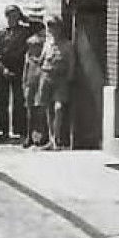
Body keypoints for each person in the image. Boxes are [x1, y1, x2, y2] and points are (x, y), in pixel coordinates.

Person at [0, 5, 32, 142]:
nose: (12, 19)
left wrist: (26, 18)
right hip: (3, 69)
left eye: (15, 16)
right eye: (9, 16)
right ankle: (3, 131)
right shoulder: (1, 33)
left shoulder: (25, 32)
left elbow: (40, 26)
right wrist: (2, 69)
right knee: (2, 101)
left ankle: (20, 130)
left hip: (19, 68)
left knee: (19, 100)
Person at [38, 16, 74, 150]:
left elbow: (72, 62)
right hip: (47, 76)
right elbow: (41, 59)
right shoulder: (47, 43)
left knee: (58, 108)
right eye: (50, 27)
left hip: (61, 78)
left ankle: (57, 138)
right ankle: (51, 138)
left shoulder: (67, 44)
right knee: (48, 108)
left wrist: (70, 76)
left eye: (54, 26)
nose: (52, 29)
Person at [21, 28, 47, 148]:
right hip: (30, 85)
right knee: (30, 112)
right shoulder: (28, 56)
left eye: (36, 46)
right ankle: (29, 136)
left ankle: (42, 135)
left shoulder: (43, 58)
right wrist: (24, 84)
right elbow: (25, 72)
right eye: (31, 46)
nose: (33, 48)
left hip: (40, 85)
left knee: (41, 112)